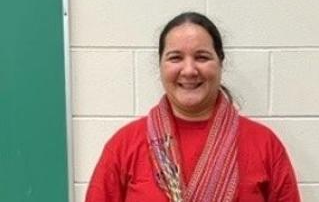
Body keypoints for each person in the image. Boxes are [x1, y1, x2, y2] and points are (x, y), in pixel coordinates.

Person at [85, 12, 300, 202]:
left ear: (220, 63)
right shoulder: (124, 145)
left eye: (202, 57)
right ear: (160, 65)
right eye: (175, 57)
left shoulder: (264, 145)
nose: (189, 70)